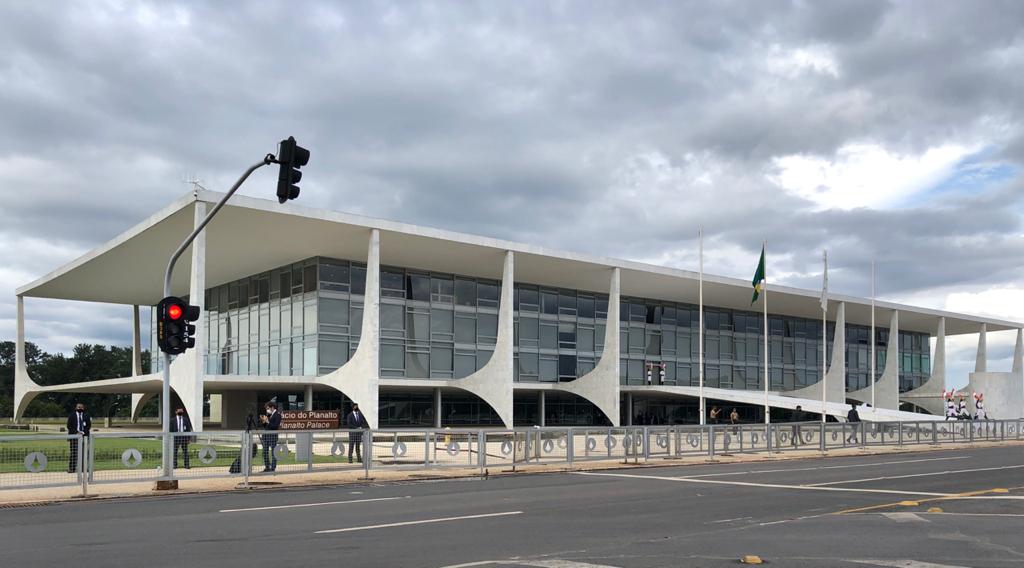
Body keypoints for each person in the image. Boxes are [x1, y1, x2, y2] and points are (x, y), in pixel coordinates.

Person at [66, 403, 91, 473]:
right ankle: (72, 468)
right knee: (73, 453)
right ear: (76, 408)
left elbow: (88, 426)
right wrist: (77, 432)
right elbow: (69, 426)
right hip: (74, 436)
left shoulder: (86, 416)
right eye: (78, 407)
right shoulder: (71, 416)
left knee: (84, 453)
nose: (80, 408)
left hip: (84, 437)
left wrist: (82, 432)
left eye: (81, 407)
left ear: (83, 408)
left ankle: (84, 468)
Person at [259, 401, 281, 472]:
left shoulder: (277, 415)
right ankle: (267, 466)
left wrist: (268, 422)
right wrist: (264, 421)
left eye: (268, 408)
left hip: (272, 436)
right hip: (266, 436)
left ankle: (273, 468)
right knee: (265, 452)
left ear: (272, 407)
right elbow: (266, 427)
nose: (267, 410)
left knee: (273, 453)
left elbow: (274, 426)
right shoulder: (268, 415)